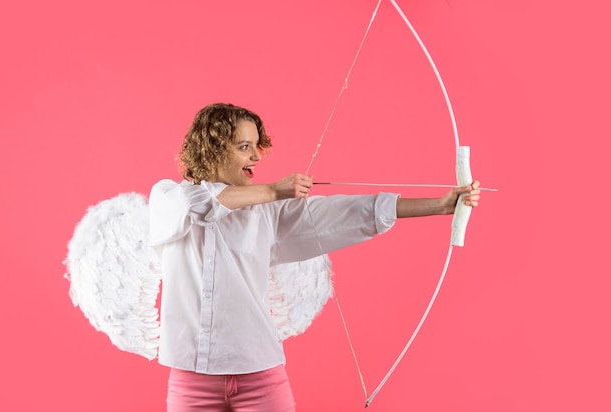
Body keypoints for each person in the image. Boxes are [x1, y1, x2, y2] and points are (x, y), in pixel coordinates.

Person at [148, 103, 481, 412]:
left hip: (260, 375)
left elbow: (350, 213)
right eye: (243, 147)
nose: (256, 158)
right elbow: (200, 205)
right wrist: (273, 191)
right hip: (192, 379)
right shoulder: (169, 197)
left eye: (256, 146)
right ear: (214, 148)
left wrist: (439, 205)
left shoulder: (267, 212)